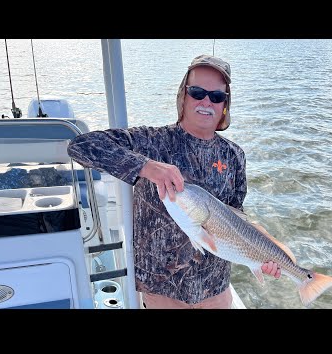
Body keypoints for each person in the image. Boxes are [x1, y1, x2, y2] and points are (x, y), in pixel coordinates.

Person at [67, 54, 281, 309]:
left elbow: (237, 217)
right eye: (197, 92)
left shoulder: (234, 155)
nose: (206, 102)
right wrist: (146, 166)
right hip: (162, 291)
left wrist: (261, 257)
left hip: (215, 289)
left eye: (216, 96)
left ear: (225, 105)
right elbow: (80, 146)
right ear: (183, 95)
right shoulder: (152, 142)